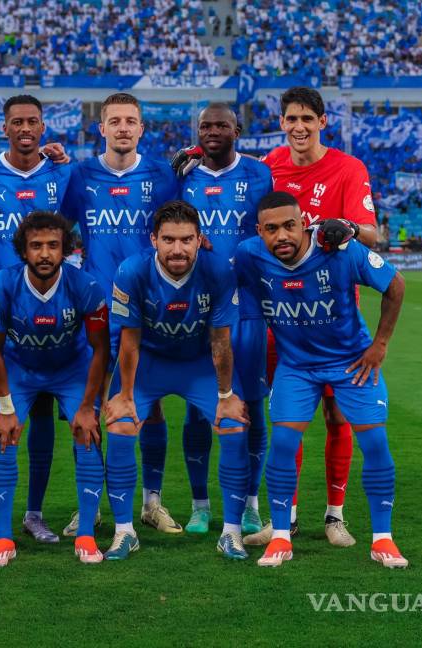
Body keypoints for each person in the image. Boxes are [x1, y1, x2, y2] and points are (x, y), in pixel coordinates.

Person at [234, 191, 408, 569]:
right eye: (271, 229)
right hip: (296, 367)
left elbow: (395, 285)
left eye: (289, 226)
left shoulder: (340, 251)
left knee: (375, 443)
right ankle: (281, 537)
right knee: (283, 443)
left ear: (304, 224)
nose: (282, 236)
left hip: (351, 363)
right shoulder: (249, 255)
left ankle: (383, 539)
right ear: (259, 231)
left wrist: (379, 344)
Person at [252, 86, 378, 547]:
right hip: (283, 317)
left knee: (337, 416)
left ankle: (334, 516)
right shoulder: (268, 168)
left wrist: (348, 228)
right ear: (281, 123)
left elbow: (373, 234)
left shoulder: (348, 169)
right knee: (287, 418)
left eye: (308, 118)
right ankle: (284, 518)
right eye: (292, 119)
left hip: (336, 317)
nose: (300, 127)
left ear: (323, 122)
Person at [0, 94, 74, 550]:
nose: (25, 128)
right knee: (2, 414)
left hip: (53, 313)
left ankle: (34, 514)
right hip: (0, 316)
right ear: (3, 127)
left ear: (44, 127)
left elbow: (74, 229)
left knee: (42, 415)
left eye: (32, 121)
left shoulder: (62, 173)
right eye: (16, 121)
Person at [58, 92, 179, 536]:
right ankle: (89, 505)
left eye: (131, 121)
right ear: (102, 128)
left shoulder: (163, 175)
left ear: (141, 129)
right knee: (88, 405)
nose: (123, 128)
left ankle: (151, 501)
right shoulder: (80, 175)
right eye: (115, 121)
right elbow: (60, 229)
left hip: (148, 308)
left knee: (150, 405)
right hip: (95, 308)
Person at [105, 200, 250, 561]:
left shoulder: (218, 270)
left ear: (200, 240)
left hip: (197, 363)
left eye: (186, 240)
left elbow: (220, 340)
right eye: (168, 240)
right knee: (120, 424)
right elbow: (129, 340)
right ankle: (124, 532)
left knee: (233, 423)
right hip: (149, 362)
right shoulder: (131, 270)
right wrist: (125, 394)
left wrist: (226, 395)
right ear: (154, 239)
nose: (178, 249)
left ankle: (231, 534)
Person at [0, 212, 110, 567]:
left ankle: (86, 535)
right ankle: (3, 538)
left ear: (65, 249)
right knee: (3, 437)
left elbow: (100, 349)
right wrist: (6, 408)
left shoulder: (86, 286)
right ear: (23, 250)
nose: (45, 253)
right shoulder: (0, 284)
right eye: (36, 246)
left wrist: (87, 406)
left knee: (87, 434)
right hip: (19, 371)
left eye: (53, 245)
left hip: (71, 370)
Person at [176, 103, 273, 536]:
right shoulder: (184, 177)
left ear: (238, 130)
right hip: (198, 307)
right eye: (205, 126)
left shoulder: (259, 175)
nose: (212, 131)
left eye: (221, 125)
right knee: (199, 410)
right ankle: (200, 506)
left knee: (251, 406)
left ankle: (251, 504)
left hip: (248, 306)